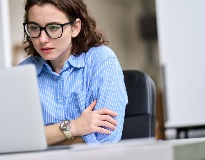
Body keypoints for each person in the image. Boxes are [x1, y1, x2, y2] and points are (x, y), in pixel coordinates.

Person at [19, 0, 128, 145]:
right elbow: (19, 139)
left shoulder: (102, 60)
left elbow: (105, 140)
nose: (42, 39)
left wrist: (46, 138)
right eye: (34, 27)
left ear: (75, 27)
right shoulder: (24, 73)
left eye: (53, 27)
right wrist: (75, 127)